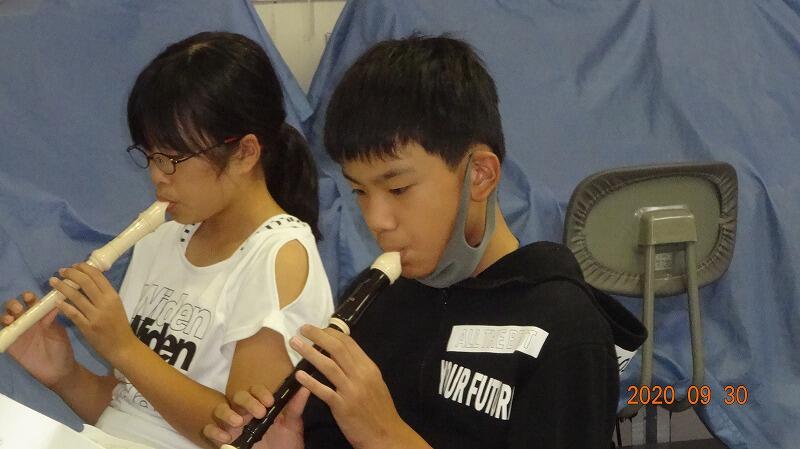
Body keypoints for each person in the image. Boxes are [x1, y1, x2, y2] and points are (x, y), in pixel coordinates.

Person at [205, 35, 645, 449]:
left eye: (398, 189)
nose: (376, 220)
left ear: (479, 176)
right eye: (359, 191)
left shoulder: (563, 329)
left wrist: (388, 437)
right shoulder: (377, 302)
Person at [1, 32, 333, 449]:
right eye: (150, 155)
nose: (157, 175)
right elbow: (130, 411)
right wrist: (64, 374)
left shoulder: (279, 255)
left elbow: (244, 434)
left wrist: (124, 348)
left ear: (246, 152)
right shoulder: (163, 236)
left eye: (172, 158)